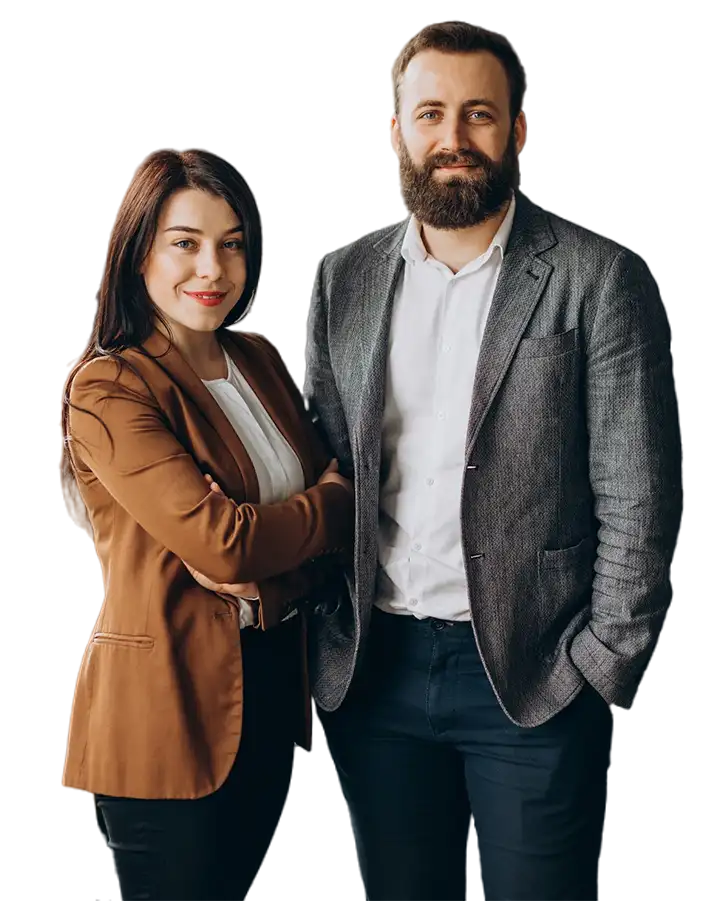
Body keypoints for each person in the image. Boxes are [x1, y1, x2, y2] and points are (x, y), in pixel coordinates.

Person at [303, 23, 681, 901]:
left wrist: (599, 666)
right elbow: (329, 466)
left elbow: (642, 495)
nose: (453, 138)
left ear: (516, 132)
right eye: (430, 113)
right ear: (394, 131)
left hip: (533, 673)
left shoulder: (598, 277)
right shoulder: (343, 278)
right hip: (375, 671)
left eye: (479, 114)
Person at [61, 148, 353, 901]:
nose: (213, 269)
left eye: (231, 243)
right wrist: (320, 507)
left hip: (271, 697)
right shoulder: (111, 385)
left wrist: (269, 564)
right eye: (185, 242)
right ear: (139, 251)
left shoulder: (254, 358)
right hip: (165, 715)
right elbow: (224, 540)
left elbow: (308, 532)